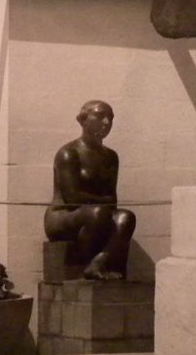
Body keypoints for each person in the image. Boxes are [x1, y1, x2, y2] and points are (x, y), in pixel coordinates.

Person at [43, 100, 136, 280]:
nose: (107, 122)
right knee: (98, 213)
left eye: (110, 118)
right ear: (83, 120)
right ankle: (82, 265)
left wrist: (105, 203)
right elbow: (72, 198)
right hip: (63, 215)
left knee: (126, 217)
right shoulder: (69, 153)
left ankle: (99, 262)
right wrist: (104, 202)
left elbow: (113, 200)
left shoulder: (111, 156)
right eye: (100, 116)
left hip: (96, 213)